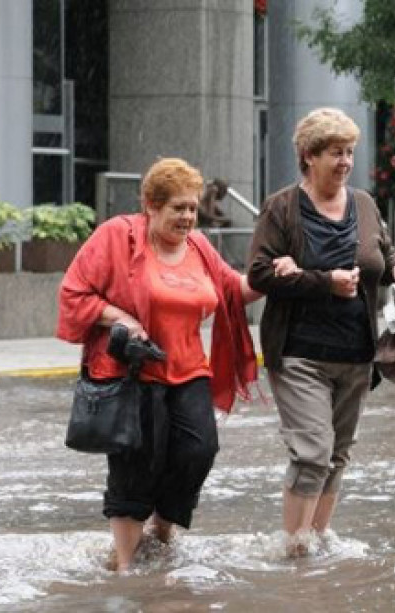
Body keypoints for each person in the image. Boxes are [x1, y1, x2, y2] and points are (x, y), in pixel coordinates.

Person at [58, 157, 261, 572]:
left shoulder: (200, 246)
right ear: (151, 205)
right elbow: (74, 293)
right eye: (179, 208)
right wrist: (121, 318)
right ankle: (126, 567)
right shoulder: (117, 236)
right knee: (137, 464)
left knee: (198, 451)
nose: (188, 217)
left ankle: (162, 533)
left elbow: (230, 289)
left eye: (193, 208)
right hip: (134, 374)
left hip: (188, 370)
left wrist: (277, 276)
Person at [247, 107, 395, 556]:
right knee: (313, 453)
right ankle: (291, 548)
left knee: (338, 454)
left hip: (357, 354)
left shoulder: (364, 204)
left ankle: (315, 543)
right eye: (336, 153)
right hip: (300, 354)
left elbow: (386, 251)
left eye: (350, 152)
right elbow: (259, 274)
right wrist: (321, 281)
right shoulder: (282, 208)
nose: (345, 161)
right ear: (308, 156)